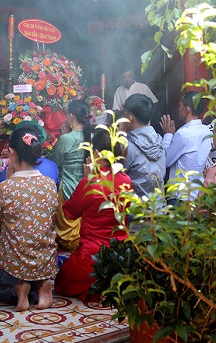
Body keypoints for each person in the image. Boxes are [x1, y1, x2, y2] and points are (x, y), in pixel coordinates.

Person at [0, 126, 58, 311]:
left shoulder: (5, 188)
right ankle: (41, 287)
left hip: (14, 266)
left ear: (12, 153)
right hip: (45, 263)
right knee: (33, 270)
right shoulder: (50, 184)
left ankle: (18, 288)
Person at [55, 128, 132, 302]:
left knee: (61, 282)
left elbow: (70, 212)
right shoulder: (126, 180)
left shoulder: (91, 182)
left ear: (96, 153)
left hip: (91, 257)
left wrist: (86, 178)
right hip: (120, 255)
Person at [47, 99, 92, 251]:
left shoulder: (67, 139)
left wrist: (64, 136)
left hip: (69, 189)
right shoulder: (90, 136)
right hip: (88, 187)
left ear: (71, 116)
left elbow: (54, 162)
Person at [160, 91, 212, 202]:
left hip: (180, 196)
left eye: (180, 106)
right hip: (197, 194)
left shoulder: (184, 134)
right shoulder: (206, 131)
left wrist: (168, 134)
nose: (178, 109)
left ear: (187, 109)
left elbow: (165, 161)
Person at [122, 94, 166, 198]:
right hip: (159, 207)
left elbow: (117, 177)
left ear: (130, 118)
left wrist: (120, 142)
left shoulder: (129, 146)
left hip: (136, 209)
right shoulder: (160, 141)